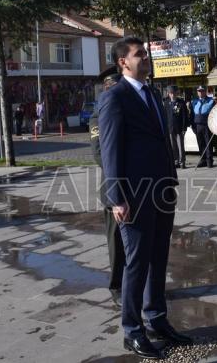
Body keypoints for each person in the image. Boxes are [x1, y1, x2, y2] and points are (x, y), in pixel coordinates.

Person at [98, 37, 191, 359]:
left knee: (158, 259)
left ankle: (157, 320)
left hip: (161, 190)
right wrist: (116, 198)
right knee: (136, 264)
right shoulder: (115, 97)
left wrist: (171, 181)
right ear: (123, 61)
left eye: (146, 54)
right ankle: (132, 331)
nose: (146, 58)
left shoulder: (152, 94)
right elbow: (109, 150)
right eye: (140, 55)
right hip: (133, 196)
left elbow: (162, 142)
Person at [89, 68, 125, 305]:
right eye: (110, 87)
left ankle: (138, 286)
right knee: (116, 242)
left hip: (139, 187)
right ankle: (117, 287)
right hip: (113, 187)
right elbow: (100, 154)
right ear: (105, 88)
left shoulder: (128, 112)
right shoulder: (97, 117)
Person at [163, 86, 189, 169]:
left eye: (173, 93)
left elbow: (185, 116)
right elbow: (165, 116)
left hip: (179, 128)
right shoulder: (166, 102)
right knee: (173, 146)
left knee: (180, 146)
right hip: (170, 128)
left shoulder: (181, 102)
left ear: (176, 93)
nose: (172, 95)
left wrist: (184, 128)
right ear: (168, 94)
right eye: (170, 93)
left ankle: (182, 162)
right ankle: (176, 161)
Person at [190, 86, 215, 168]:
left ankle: (209, 160)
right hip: (197, 125)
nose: (200, 92)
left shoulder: (211, 101)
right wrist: (192, 126)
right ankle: (203, 160)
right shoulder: (194, 102)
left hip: (207, 125)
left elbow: (214, 113)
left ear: (205, 91)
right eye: (199, 91)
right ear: (197, 92)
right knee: (200, 143)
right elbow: (192, 115)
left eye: (202, 91)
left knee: (208, 143)